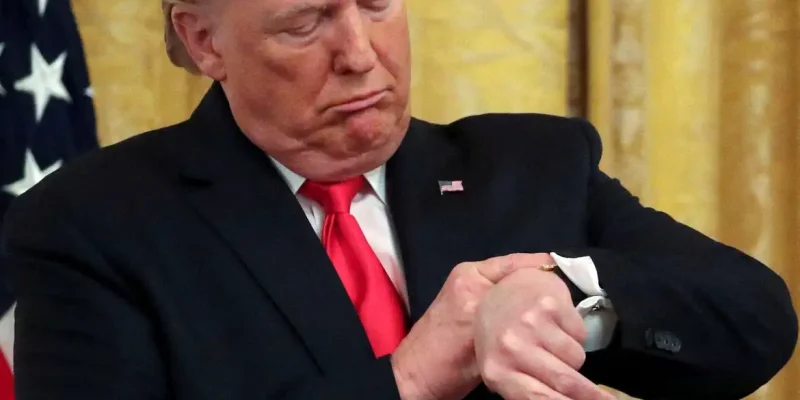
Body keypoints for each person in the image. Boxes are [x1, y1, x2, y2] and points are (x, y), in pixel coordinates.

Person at [3, 0, 797, 399]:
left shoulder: (529, 163)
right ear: (205, 40)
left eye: (376, 2)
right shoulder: (92, 223)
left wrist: (567, 296)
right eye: (307, 21)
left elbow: (756, 322)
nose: (360, 53)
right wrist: (406, 378)